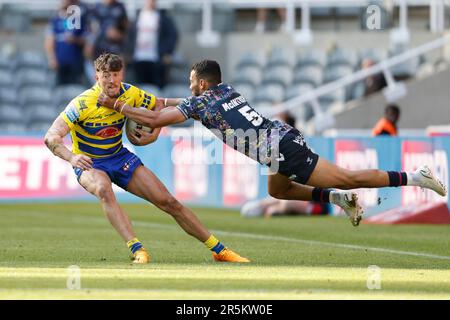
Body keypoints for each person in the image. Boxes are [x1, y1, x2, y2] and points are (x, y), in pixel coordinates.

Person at [98, 59, 447, 227]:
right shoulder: (224, 91)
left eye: (191, 82)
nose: (189, 87)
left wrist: (114, 104)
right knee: (279, 192)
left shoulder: (202, 102)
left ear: (202, 84)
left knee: (348, 177)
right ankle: (341, 200)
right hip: (276, 145)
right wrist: (159, 103)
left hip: (282, 148)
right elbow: (171, 108)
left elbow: (159, 120)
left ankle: (416, 176)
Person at [44, 54, 249, 264]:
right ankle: (138, 250)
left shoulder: (130, 93)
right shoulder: (82, 103)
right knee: (104, 189)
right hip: (90, 162)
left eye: (116, 75)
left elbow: (158, 104)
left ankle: (219, 250)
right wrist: (72, 157)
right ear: (97, 77)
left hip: (119, 157)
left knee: (169, 202)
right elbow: (51, 137)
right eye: (106, 75)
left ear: (122, 74)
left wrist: (161, 128)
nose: (112, 80)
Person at [130, 0, 178, 88]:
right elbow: (130, 36)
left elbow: (172, 35)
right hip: (139, 58)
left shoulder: (163, 17)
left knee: (156, 89)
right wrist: (128, 52)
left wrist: (168, 52)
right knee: (140, 89)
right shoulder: (138, 16)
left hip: (156, 59)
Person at [45, 0, 89, 85]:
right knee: (61, 88)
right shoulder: (56, 19)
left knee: (76, 88)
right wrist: (52, 58)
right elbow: (50, 40)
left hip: (76, 62)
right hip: (60, 62)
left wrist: (75, 39)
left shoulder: (80, 19)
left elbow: (86, 40)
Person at [241, 197, 328, 218]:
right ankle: (262, 206)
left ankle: (262, 205)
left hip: (315, 206)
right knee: (284, 202)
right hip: (311, 207)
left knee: (284, 201)